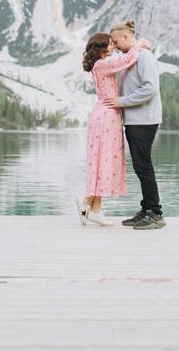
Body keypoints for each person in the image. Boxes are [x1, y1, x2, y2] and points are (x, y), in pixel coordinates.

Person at [77, 31, 150, 226]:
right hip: (106, 116)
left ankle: (92, 206)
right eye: (110, 44)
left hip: (107, 114)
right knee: (104, 159)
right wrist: (139, 44)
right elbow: (125, 60)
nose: (113, 46)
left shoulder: (99, 65)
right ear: (101, 48)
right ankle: (90, 204)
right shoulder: (102, 64)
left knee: (103, 159)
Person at [103, 19, 165, 230]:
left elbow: (150, 89)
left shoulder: (144, 57)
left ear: (126, 37)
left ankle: (155, 213)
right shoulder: (132, 57)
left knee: (144, 166)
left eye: (115, 41)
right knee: (140, 166)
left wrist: (122, 101)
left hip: (144, 120)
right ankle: (147, 209)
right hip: (135, 120)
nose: (114, 45)